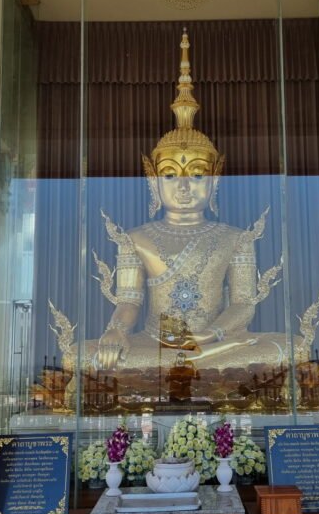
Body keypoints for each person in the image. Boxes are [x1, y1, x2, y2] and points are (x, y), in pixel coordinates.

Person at [70, 32, 293, 376]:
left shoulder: (236, 238)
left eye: (198, 175)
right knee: (81, 355)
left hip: (215, 341)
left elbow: (243, 304)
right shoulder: (136, 238)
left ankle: (188, 363)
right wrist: (116, 330)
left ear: (216, 180)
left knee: (287, 348)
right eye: (172, 175)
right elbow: (130, 300)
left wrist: (206, 336)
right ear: (153, 181)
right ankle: (186, 364)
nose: (185, 187)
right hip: (153, 342)